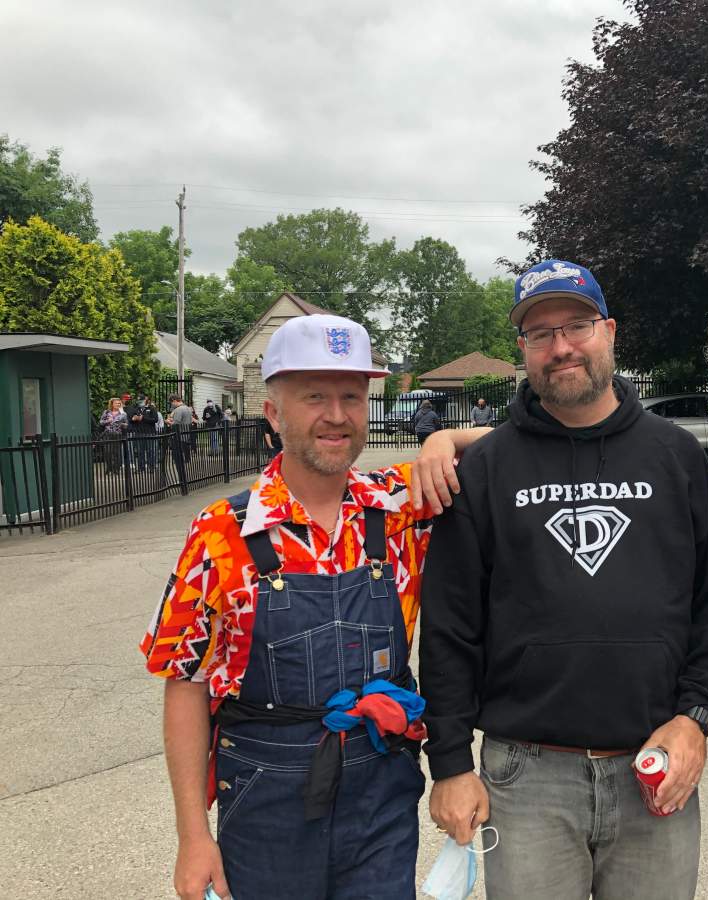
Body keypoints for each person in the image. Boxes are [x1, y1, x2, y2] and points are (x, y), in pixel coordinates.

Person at [139, 314, 491, 900]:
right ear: (274, 414)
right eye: (314, 397)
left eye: (352, 396)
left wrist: (443, 441)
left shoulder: (400, 506)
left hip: (382, 791)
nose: (336, 415)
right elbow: (185, 683)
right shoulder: (221, 533)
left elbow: (523, 440)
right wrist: (193, 837)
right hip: (264, 799)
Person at [419, 259, 708, 900]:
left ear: (610, 332)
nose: (561, 346)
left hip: (655, 764)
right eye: (540, 334)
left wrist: (695, 715)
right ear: (524, 351)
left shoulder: (674, 456)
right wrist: (450, 762)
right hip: (526, 775)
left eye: (577, 326)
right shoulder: (482, 470)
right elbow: (450, 625)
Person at [128, 394, 159, 471]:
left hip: (149, 432)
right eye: (139, 400)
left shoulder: (151, 408)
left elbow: (155, 420)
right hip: (139, 432)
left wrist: (143, 418)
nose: (140, 402)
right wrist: (133, 419)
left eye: (141, 400)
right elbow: (131, 419)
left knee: (150, 450)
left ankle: (151, 467)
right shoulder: (136, 408)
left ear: (146, 400)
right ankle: (140, 467)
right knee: (139, 451)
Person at [98, 397, 128, 473]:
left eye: (119, 403)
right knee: (107, 452)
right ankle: (109, 467)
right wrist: (108, 421)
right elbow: (101, 422)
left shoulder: (123, 414)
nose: (118, 404)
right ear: (112, 404)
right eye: (116, 403)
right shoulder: (106, 412)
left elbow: (126, 424)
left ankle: (116, 469)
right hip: (107, 433)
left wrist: (123, 424)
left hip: (117, 434)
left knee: (116, 452)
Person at [168, 395, 195, 464]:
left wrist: (168, 422)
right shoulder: (188, 408)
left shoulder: (178, 409)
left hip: (179, 433)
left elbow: (176, 423)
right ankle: (187, 460)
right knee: (186, 447)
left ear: (174, 401)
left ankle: (179, 461)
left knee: (178, 449)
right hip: (187, 431)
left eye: (172, 403)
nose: (172, 405)